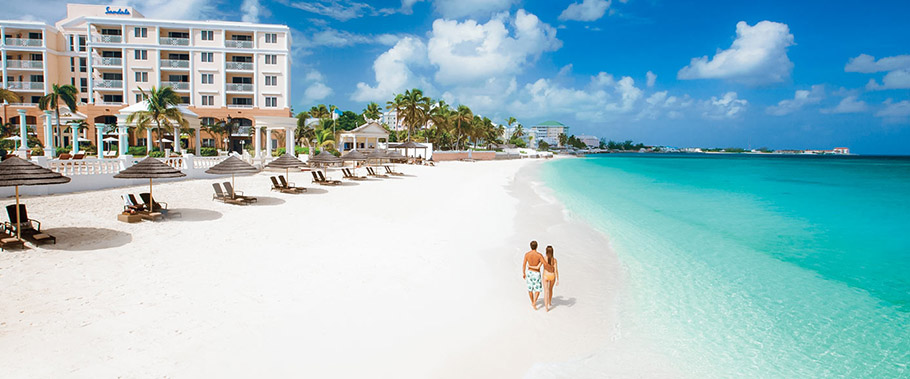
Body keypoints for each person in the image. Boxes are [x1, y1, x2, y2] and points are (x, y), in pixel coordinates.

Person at [522, 240, 545, 310]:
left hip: (529, 273)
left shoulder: (527, 254)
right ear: (537, 246)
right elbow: (544, 263)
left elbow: (524, 264)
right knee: (537, 290)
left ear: (530, 246)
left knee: (530, 289)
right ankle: (534, 302)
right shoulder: (539, 255)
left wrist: (524, 273)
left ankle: (532, 302)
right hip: (536, 273)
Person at [542, 246, 559, 312]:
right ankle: (550, 302)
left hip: (546, 275)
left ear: (546, 251)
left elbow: (540, 265)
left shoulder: (544, 258)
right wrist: (558, 279)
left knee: (546, 291)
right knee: (550, 289)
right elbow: (556, 270)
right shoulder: (554, 260)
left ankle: (546, 308)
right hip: (552, 276)